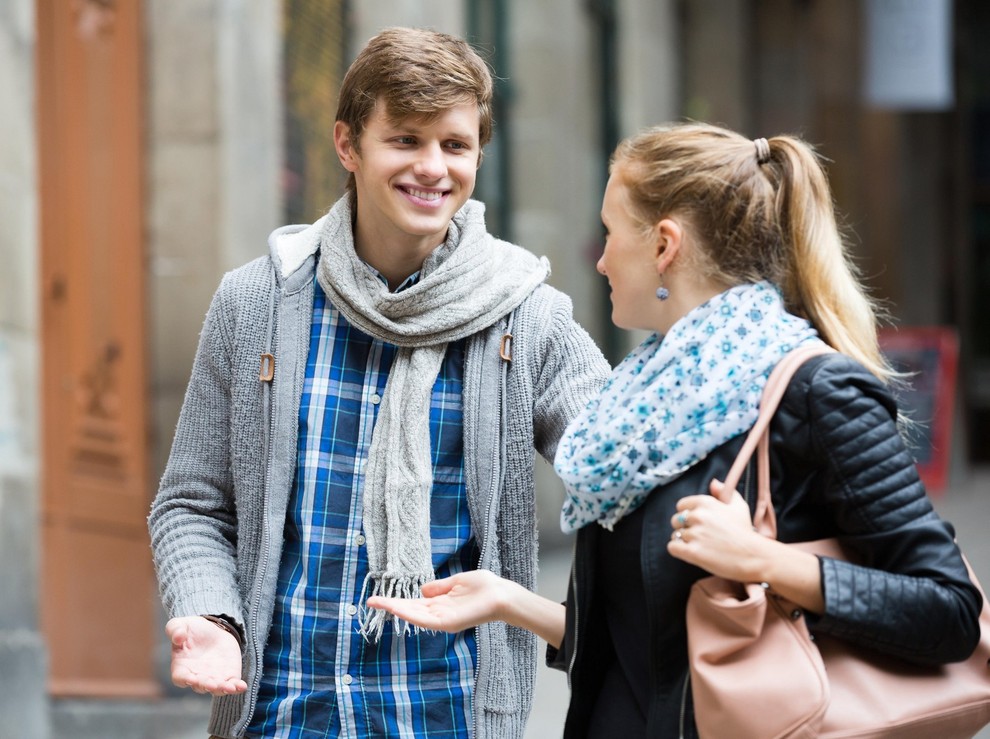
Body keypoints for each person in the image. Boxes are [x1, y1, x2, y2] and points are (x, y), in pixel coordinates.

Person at [368, 122, 984, 738]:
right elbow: (649, 651)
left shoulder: (815, 394)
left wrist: (764, 560)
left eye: (610, 232)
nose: (602, 259)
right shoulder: (640, 411)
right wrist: (507, 603)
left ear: (665, 245)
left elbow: (951, 611)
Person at [147, 27, 610, 739]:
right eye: (405, 139)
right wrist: (213, 615)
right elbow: (191, 503)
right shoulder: (257, 303)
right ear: (347, 145)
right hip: (278, 712)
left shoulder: (528, 318)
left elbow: (626, 474)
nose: (432, 167)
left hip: (445, 714)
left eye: (454, 145)